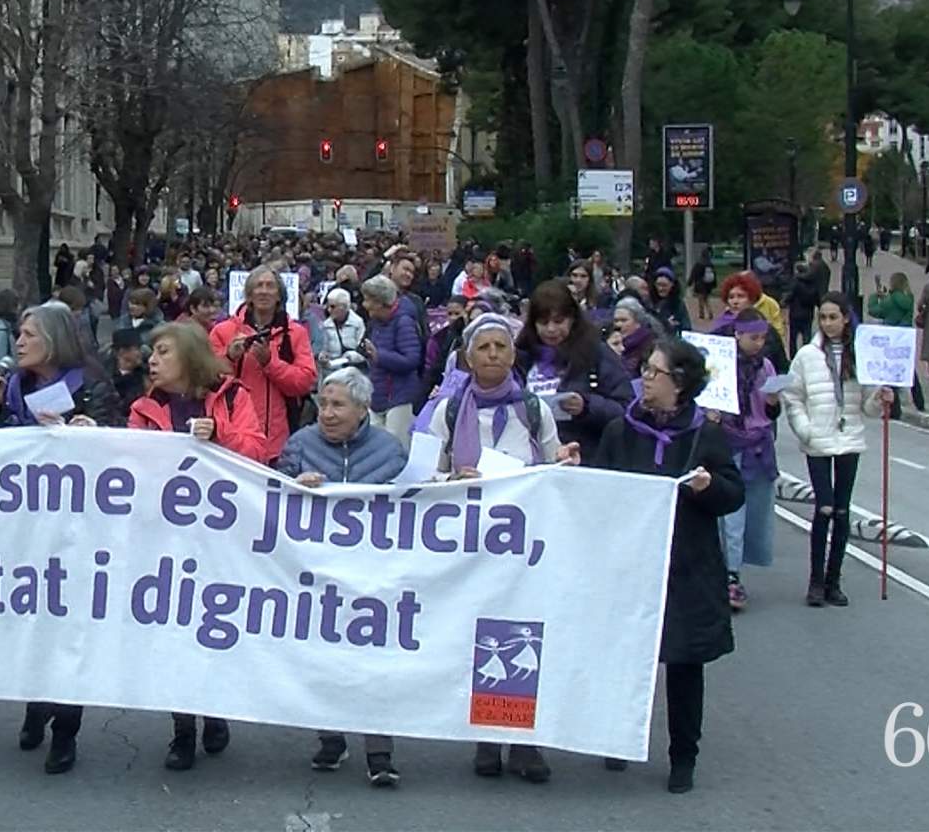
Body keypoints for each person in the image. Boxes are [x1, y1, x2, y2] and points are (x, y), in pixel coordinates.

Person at [417, 314, 577, 785]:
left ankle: (527, 741)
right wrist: (452, 478)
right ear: (467, 358)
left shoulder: (534, 409)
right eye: (483, 348)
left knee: (525, 634)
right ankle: (487, 737)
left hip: (525, 542)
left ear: (512, 355)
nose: (491, 355)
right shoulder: (448, 410)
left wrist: (564, 462)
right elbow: (423, 474)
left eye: (500, 347)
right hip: (471, 542)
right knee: (482, 635)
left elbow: (554, 465)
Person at [591, 338, 742, 793]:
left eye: (653, 372)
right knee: (623, 655)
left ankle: (683, 756)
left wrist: (708, 486)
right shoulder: (622, 430)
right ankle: (616, 737)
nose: (644, 379)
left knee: (684, 663)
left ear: (678, 383)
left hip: (687, 565)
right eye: (645, 370)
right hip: (629, 564)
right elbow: (598, 489)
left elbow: (733, 494)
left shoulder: (704, 435)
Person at [0, 303, 120, 773]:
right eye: (18, 334)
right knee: (30, 623)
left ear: (54, 340)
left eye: (28, 335)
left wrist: (89, 433)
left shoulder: (91, 385)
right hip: (23, 529)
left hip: (76, 532)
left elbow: (120, 449)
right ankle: (36, 702)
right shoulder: (12, 386)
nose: (18, 342)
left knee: (68, 630)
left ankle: (66, 729)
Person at [127, 323, 265, 771]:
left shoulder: (232, 396)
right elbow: (128, 466)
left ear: (189, 356)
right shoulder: (143, 409)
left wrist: (220, 433)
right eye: (152, 353)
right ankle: (183, 728)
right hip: (167, 538)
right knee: (174, 634)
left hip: (222, 538)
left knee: (214, 628)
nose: (152, 360)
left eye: (163, 351)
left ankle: (215, 708)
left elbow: (258, 451)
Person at [276, 368, 407, 787]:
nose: (327, 413)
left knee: (374, 664)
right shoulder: (300, 444)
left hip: (374, 575)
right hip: (317, 574)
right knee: (322, 658)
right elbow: (272, 497)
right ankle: (330, 738)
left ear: (363, 409)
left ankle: (379, 753)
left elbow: (416, 506)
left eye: (338, 405)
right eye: (323, 404)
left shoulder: (390, 450)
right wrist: (295, 486)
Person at [779, 293, 893, 608]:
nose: (828, 323)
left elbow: (867, 406)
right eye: (823, 317)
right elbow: (793, 395)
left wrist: (880, 399)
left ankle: (834, 581)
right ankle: (815, 581)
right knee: (824, 508)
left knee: (842, 511)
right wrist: (805, 429)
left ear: (845, 318)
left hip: (849, 438)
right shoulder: (807, 355)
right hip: (818, 440)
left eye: (833, 317)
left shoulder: (860, 354)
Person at [709, 311, 782, 611]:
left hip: (757, 444)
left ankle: (734, 569)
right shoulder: (720, 364)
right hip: (727, 442)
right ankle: (729, 573)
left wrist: (773, 402)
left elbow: (770, 413)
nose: (759, 343)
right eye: (754, 337)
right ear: (737, 335)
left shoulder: (765, 366)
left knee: (753, 511)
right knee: (730, 516)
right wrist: (711, 414)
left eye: (762, 338)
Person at [209, 267, 319, 463]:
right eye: (258, 286)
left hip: (278, 442)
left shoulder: (296, 333)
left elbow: (305, 381)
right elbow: (207, 380)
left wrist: (270, 363)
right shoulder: (222, 331)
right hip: (232, 439)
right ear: (249, 295)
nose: (264, 291)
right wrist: (229, 358)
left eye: (270, 286)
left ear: (279, 296)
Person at [515, 280, 634, 458]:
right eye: (543, 322)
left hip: (582, 457)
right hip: (529, 458)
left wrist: (586, 406)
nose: (551, 329)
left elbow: (626, 409)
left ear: (572, 319)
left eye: (558, 321)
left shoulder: (596, 353)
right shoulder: (520, 357)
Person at [359, 275, 423, 447]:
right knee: (375, 448)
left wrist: (379, 356)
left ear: (380, 302)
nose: (364, 304)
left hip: (399, 397)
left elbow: (412, 359)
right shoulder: (376, 322)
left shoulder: (404, 322)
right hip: (378, 395)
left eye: (368, 299)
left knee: (396, 447)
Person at [869, 273, 925, 414]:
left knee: (891, 372)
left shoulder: (890, 300)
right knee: (909, 369)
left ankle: (894, 408)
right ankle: (919, 401)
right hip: (905, 337)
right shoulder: (909, 297)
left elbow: (875, 311)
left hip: (891, 337)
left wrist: (875, 297)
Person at [712, 272, 789, 374]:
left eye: (741, 296)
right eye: (731, 297)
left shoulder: (768, 331)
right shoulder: (720, 330)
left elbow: (781, 366)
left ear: (752, 299)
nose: (735, 301)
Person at [607, 297, 659, 382]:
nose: (618, 325)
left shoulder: (650, 344)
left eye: (624, 320)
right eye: (616, 321)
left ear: (638, 322)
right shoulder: (610, 342)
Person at [316, 287, 367, 372]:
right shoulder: (325, 325)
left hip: (354, 369)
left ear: (344, 307)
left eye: (333, 307)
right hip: (332, 371)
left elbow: (363, 352)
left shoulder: (358, 323)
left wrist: (351, 356)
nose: (329, 310)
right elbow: (322, 349)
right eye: (328, 307)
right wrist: (322, 356)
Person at [106, 327, 148, 417]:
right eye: (137, 348)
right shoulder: (104, 377)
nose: (141, 352)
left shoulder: (145, 376)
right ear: (122, 351)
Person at [785, 262, 822, 357]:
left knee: (793, 337)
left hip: (795, 314)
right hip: (808, 313)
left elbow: (790, 295)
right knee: (807, 335)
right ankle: (807, 354)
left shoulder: (796, 282)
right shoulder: (813, 282)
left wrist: (784, 302)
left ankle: (793, 356)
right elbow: (817, 298)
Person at [650, 268, 691, 336]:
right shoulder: (649, 301)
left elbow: (686, 327)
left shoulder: (678, 304)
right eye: (658, 284)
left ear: (672, 285)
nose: (660, 288)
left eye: (664, 285)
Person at [688, 248, 716, 323]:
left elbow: (694, 274)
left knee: (701, 300)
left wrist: (690, 283)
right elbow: (714, 275)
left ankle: (701, 314)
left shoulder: (699, 264)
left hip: (700, 284)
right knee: (707, 299)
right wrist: (713, 285)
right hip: (708, 285)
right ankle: (710, 312)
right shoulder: (710, 264)